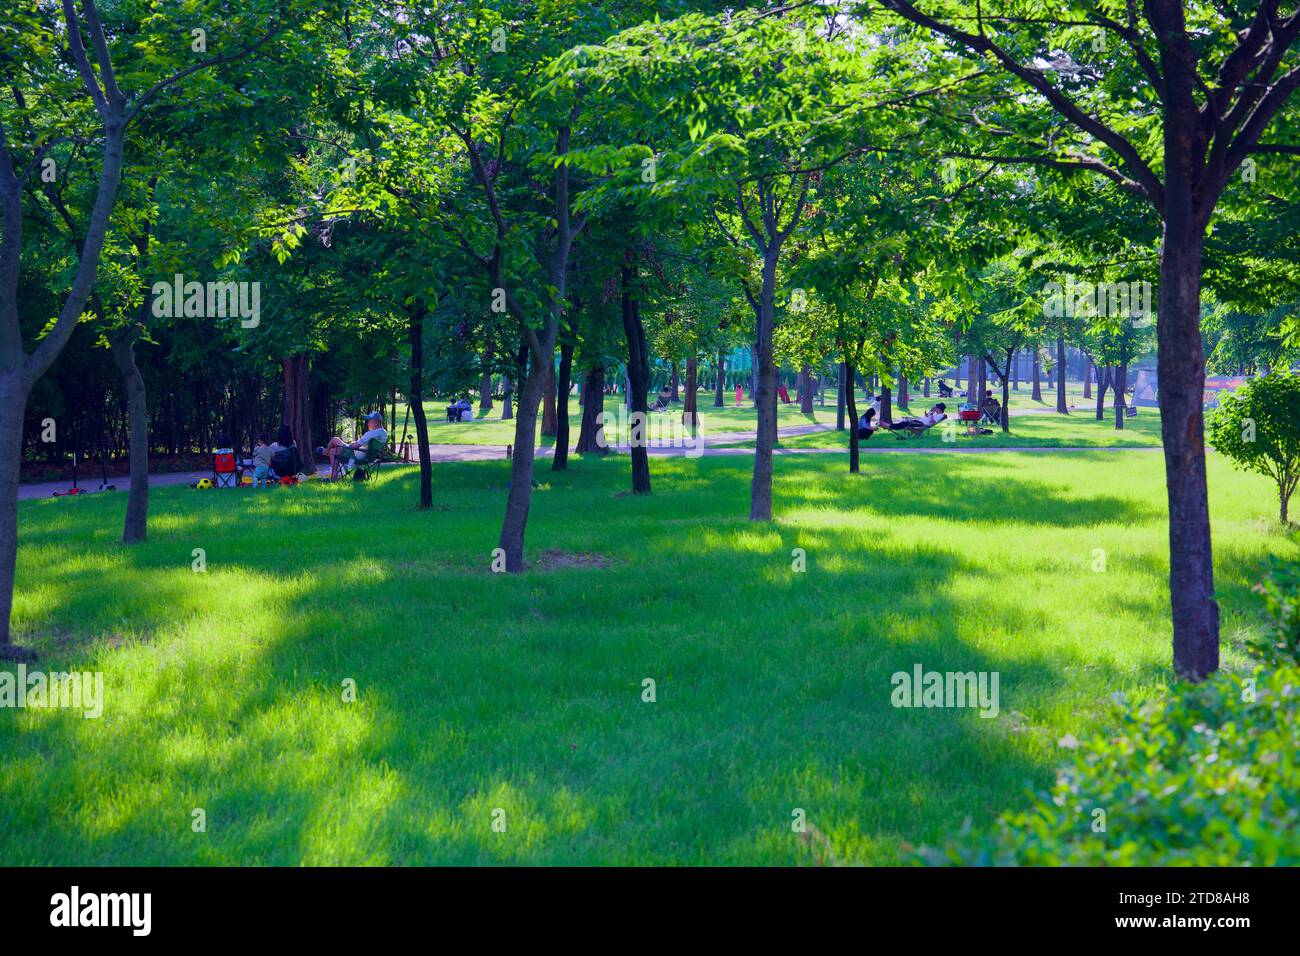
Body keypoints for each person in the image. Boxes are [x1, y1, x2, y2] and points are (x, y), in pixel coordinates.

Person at [317, 411, 389, 480]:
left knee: (334, 440)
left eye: (370, 421)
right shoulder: (383, 433)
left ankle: (326, 453)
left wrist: (348, 445)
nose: (368, 423)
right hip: (367, 455)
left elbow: (355, 446)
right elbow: (364, 445)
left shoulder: (373, 433)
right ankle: (332, 473)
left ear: (376, 421)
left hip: (359, 455)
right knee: (333, 450)